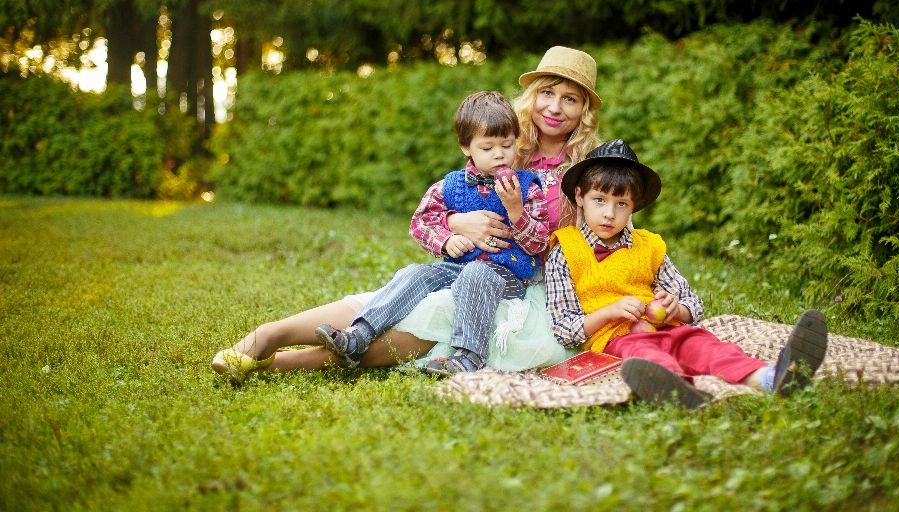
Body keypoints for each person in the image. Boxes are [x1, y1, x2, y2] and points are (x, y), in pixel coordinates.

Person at [212, 46, 603, 383]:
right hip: (465, 259)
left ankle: (282, 363)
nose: (554, 107)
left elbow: (602, 234)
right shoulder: (503, 139)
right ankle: (270, 335)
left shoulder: (589, 168)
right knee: (407, 286)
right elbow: (448, 203)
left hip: (528, 280)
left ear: (584, 109)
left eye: (570, 98)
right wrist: (454, 225)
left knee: (437, 312)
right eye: (547, 93)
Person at [545, 139, 829, 409]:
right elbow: (565, 329)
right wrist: (610, 312)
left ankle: (771, 379)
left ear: (634, 206)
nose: (609, 214)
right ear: (580, 196)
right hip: (619, 339)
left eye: (621, 204)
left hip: (668, 328)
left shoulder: (649, 246)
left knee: (708, 346)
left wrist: (675, 309)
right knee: (649, 358)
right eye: (600, 200)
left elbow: (692, 302)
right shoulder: (565, 251)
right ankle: (677, 391)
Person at [312, 91, 549, 375]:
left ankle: (469, 357)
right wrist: (447, 239)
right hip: (457, 270)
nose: (499, 154)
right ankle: (359, 335)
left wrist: (515, 211)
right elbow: (421, 222)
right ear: (466, 147)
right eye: (487, 148)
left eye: (507, 145)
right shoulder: (448, 186)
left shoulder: (527, 188)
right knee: (416, 273)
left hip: (507, 278)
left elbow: (539, 242)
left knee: (478, 274)